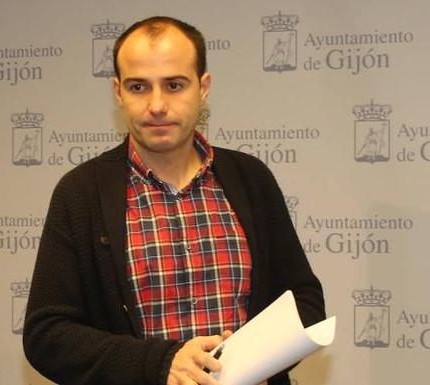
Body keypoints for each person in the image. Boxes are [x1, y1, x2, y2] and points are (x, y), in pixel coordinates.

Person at [23, 16, 325, 385]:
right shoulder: (81, 193)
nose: (157, 105)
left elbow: (304, 301)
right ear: (118, 92)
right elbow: (47, 335)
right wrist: (161, 363)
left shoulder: (251, 179)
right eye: (138, 87)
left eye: (174, 85)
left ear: (203, 87)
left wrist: (256, 358)